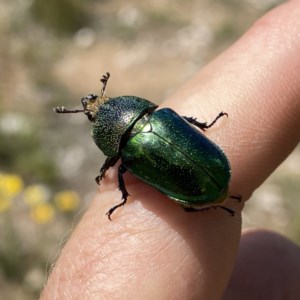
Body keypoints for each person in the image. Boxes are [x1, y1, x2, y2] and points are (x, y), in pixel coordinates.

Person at [41, 1, 300, 299]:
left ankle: (209, 203)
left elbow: (114, 163)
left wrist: (115, 186)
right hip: (210, 167)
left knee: (129, 171)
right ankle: (211, 200)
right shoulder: (157, 119)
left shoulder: (128, 158)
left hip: (210, 172)